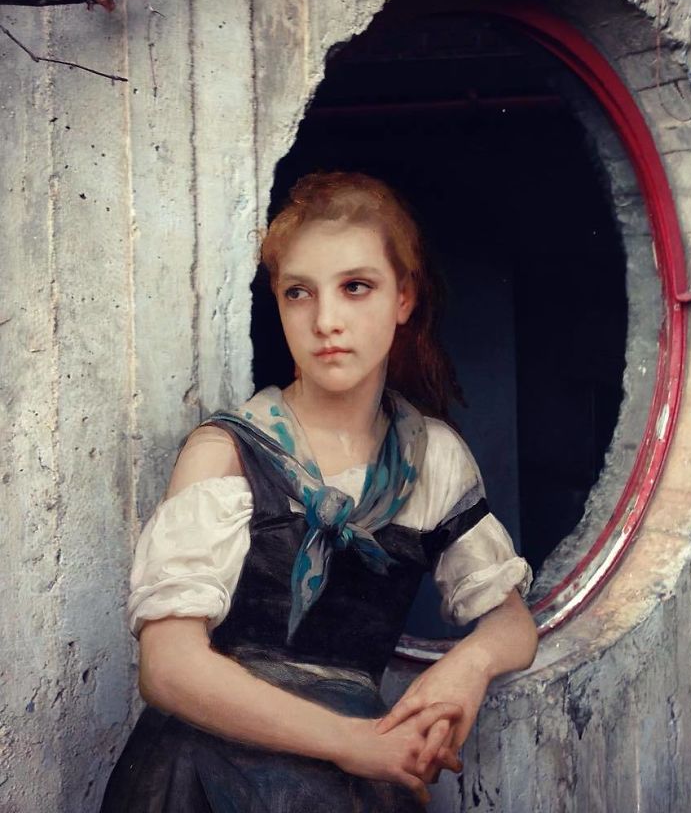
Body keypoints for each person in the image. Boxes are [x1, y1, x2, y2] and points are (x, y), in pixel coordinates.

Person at [100, 172, 538, 812]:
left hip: (352, 781)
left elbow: (510, 623)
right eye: (299, 293)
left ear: (404, 297)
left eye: (356, 287)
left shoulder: (432, 457)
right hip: (208, 777)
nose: (326, 321)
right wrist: (349, 743)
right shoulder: (228, 451)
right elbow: (168, 668)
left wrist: (468, 667)